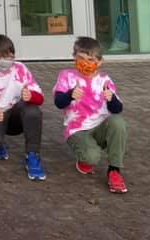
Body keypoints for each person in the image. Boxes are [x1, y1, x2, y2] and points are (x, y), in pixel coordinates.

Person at [53, 36, 129, 193]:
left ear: (100, 62)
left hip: (100, 126)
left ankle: (114, 170)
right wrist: (70, 95)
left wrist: (111, 99)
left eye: (90, 59)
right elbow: (59, 102)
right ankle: (85, 157)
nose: (85, 63)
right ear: (74, 56)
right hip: (77, 130)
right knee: (91, 158)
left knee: (118, 122)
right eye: (80, 58)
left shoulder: (104, 80)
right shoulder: (67, 75)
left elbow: (117, 109)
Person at [0, 34, 46, 180]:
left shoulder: (20, 68)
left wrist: (31, 96)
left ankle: (32, 155)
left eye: (8, 56)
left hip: (17, 116)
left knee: (33, 111)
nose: (4, 61)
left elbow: (39, 95)